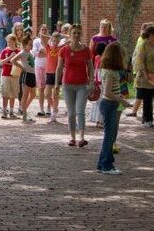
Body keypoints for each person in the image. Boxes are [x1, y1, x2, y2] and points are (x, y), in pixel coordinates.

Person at [55, 24, 94, 147]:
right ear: (70, 35)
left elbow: (91, 67)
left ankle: (82, 137)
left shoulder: (86, 50)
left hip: (82, 85)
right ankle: (72, 137)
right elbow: (59, 68)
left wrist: (92, 82)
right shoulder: (64, 50)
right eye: (74, 33)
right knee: (71, 113)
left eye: (78, 33)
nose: (76, 35)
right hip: (68, 85)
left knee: (80, 111)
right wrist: (57, 84)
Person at [97, 42, 132, 175]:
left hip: (110, 104)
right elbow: (107, 92)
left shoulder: (107, 70)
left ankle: (103, 163)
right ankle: (107, 164)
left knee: (110, 135)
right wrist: (121, 99)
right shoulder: (110, 72)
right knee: (109, 136)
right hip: (110, 104)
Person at [134, 26, 154, 127]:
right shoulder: (143, 45)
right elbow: (140, 61)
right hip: (146, 77)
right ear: (151, 34)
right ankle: (148, 120)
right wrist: (145, 74)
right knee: (147, 99)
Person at [12, 34, 36, 123]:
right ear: (24, 45)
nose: (31, 46)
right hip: (26, 75)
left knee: (33, 95)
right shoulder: (22, 52)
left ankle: (24, 108)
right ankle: (24, 114)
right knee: (25, 95)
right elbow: (13, 60)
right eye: (30, 44)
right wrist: (21, 67)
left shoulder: (31, 53)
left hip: (32, 75)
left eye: (32, 44)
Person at [42, 32, 64, 123]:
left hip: (57, 73)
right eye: (53, 40)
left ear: (59, 41)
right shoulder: (48, 48)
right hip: (49, 73)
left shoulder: (61, 48)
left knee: (55, 93)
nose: (55, 42)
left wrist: (61, 36)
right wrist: (51, 37)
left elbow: (70, 39)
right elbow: (42, 36)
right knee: (47, 93)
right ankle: (54, 108)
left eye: (56, 41)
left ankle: (54, 113)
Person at [0, 34, 21, 119]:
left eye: (11, 42)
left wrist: (15, 59)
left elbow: (21, 63)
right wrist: (10, 58)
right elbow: (1, 63)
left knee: (13, 94)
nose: (9, 44)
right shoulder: (4, 51)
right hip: (5, 74)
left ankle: (11, 111)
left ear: (15, 42)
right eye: (8, 42)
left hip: (15, 75)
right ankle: (4, 111)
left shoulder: (18, 51)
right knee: (5, 93)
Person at [89, 43, 107, 128]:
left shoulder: (96, 57)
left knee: (98, 102)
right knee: (101, 101)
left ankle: (96, 119)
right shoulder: (104, 59)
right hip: (101, 82)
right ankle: (100, 121)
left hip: (97, 80)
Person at [33, 24, 49, 116]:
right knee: (41, 88)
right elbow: (35, 53)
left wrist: (43, 52)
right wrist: (42, 52)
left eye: (45, 29)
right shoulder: (36, 41)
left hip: (49, 66)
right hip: (39, 65)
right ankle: (41, 108)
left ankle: (49, 108)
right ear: (39, 31)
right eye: (42, 29)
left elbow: (50, 53)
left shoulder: (50, 41)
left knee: (49, 88)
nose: (44, 31)